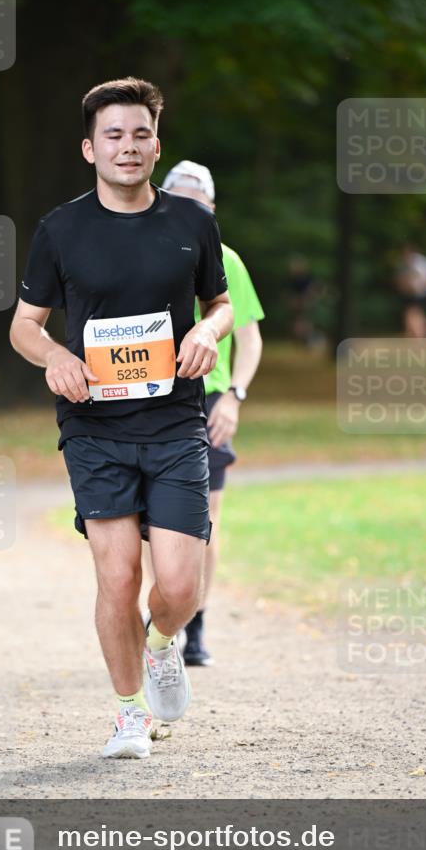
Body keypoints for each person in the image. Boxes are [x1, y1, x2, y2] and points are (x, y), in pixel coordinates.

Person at [9, 78, 233, 760]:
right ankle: (129, 714)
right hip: (94, 426)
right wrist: (53, 357)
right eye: (114, 135)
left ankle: (162, 643)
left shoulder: (191, 223)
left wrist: (207, 333)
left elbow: (220, 304)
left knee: (179, 584)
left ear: (156, 145)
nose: (128, 147)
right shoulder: (61, 229)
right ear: (89, 147)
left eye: (140, 134)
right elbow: (24, 325)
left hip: (171, 424)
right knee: (116, 578)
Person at [161, 160, 264, 666]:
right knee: (149, 521)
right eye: (176, 198)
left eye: (196, 202)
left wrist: (234, 396)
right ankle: (162, 615)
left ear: (212, 209)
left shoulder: (227, 260)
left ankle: (196, 624)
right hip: (152, 396)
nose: (186, 209)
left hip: (208, 399)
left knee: (206, 519)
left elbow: (250, 340)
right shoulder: (148, 254)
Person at [394, 244, 426, 338]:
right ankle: (423, 337)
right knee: (416, 316)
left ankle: (418, 338)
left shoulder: (423, 263)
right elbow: (399, 280)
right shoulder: (402, 263)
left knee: (412, 315)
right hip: (408, 294)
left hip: (421, 294)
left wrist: (423, 287)